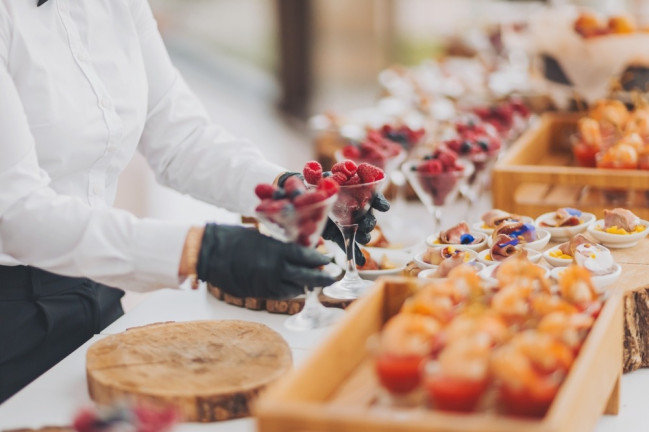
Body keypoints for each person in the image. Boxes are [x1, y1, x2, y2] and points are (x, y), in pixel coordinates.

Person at [0, 0, 387, 402]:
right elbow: (16, 213)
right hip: (12, 325)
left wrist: (290, 191)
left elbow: (180, 138)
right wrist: (202, 250)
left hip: (100, 289)